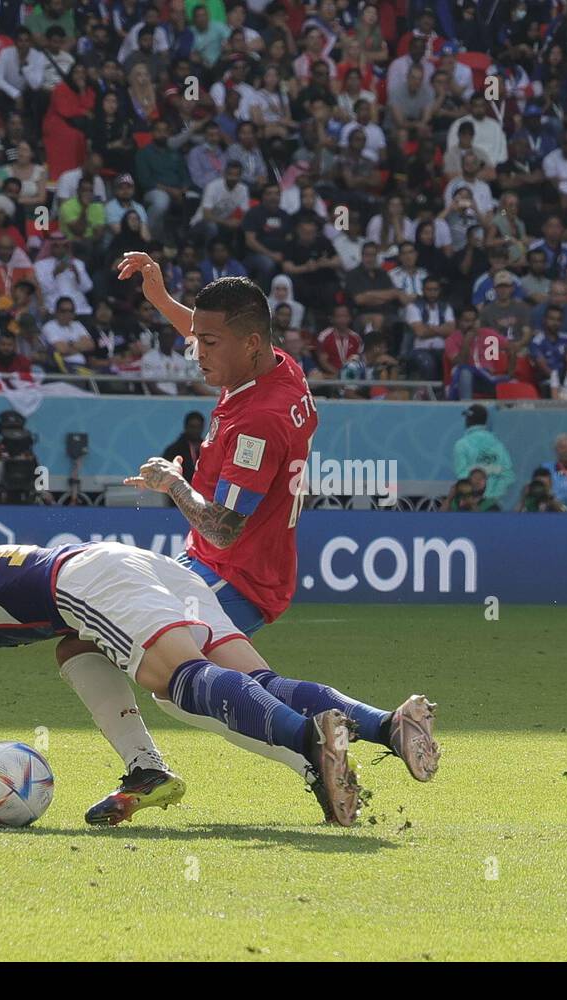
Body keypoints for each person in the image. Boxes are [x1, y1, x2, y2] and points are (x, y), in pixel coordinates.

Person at [0, 511, 440, 830]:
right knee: (242, 681)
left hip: (92, 584)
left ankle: (312, 745)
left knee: (180, 684)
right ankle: (384, 722)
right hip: (136, 568)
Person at [114, 256, 438, 796]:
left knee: (171, 681)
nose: (197, 352)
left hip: (230, 569)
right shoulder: (276, 368)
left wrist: (173, 483)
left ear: (251, 345)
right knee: (243, 684)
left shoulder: (257, 422)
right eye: (199, 338)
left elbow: (223, 529)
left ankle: (312, 759)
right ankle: (383, 727)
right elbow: (218, 332)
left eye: (208, 343)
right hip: (240, 566)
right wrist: (162, 300)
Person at [453, 404, 515, 508]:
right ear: (485, 421)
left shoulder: (461, 444)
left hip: (468, 506)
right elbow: (508, 475)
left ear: (468, 421)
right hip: (493, 505)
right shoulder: (498, 444)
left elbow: (460, 476)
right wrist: (494, 495)